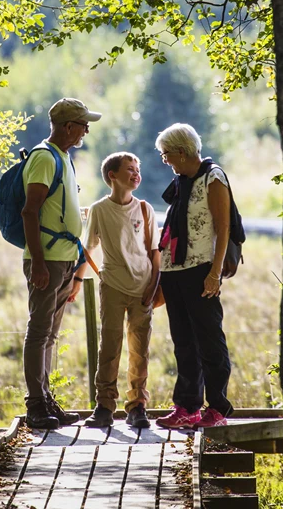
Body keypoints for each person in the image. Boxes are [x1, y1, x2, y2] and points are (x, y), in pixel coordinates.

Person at [19, 97, 101, 430]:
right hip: (48, 260)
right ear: (69, 126)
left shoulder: (64, 158)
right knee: (39, 333)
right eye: (83, 124)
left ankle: (46, 399)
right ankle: (36, 405)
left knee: (50, 334)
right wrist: (38, 262)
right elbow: (29, 211)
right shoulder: (43, 158)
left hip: (64, 259)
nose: (86, 130)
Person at [153, 123, 234, 429]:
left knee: (209, 341)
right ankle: (187, 406)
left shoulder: (213, 176)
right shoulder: (181, 181)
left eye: (166, 154)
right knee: (184, 342)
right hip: (174, 270)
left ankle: (218, 408)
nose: (165, 160)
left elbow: (223, 227)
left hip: (201, 269)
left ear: (182, 152)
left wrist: (215, 272)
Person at [74, 152, 161, 429]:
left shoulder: (145, 209)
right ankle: (104, 406)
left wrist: (154, 287)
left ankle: (137, 406)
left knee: (140, 349)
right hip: (111, 286)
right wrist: (78, 280)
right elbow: (87, 248)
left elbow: (155, 253)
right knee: (109, 347)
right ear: (112, 176)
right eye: (129, 169)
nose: (136, 174)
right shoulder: (99, 209)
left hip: (143, 287)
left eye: (138, 169)